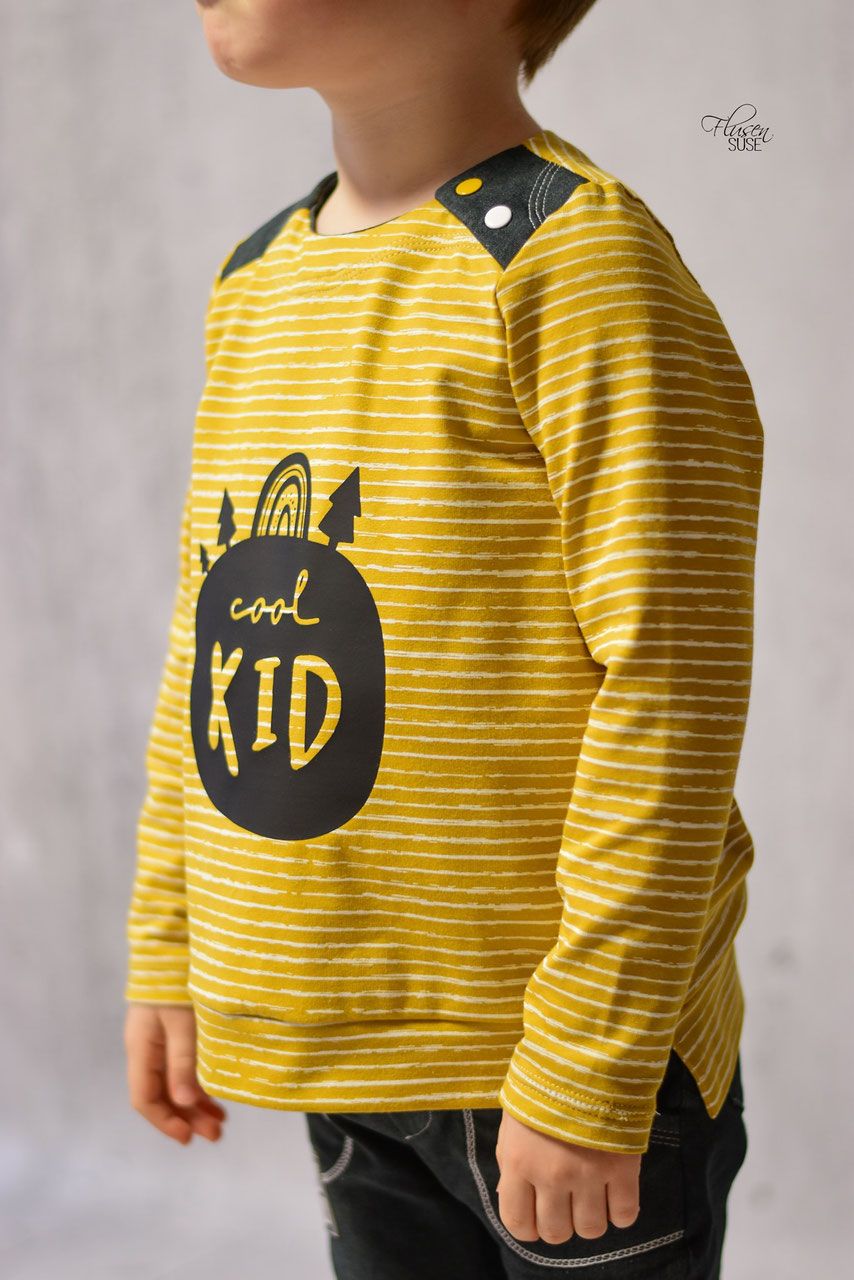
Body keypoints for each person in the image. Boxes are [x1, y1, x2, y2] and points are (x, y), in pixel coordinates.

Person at [123, 1, 762, 1276]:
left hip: (560, 1068)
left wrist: (586, 1055)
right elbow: (211, 631)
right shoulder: (254, 280)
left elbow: (669, 681)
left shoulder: (570, 259)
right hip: (344, 1048)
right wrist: (171, 940)